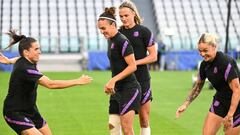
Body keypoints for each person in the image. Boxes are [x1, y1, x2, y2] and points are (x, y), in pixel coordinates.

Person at [0, 30, 92, 135]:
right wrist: (77, 81)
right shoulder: (25, 69)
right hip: (14, 112)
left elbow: (17, 59)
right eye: (36, 49)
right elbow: (51, 84)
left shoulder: (24, 60)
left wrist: (8, 61)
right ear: (26, 52)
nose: (39, 51)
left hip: (31, 110)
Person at [176, 33, 240, 135]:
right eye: (200, 51)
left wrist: (230, 115)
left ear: (214, 47)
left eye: (205, 50)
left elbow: (237, 90)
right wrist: (185, 104)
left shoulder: (225, 62)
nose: (202, 54)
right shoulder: (204, 65)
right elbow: (198, 87)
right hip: (221, 100)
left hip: (237, 104)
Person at [97, 7, 141, 135]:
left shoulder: (122, 41)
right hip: (116, 89)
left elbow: (133, 66)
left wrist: (113, 80)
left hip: (130, 88)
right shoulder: (110, 40)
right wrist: (113, 83)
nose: (102, 32)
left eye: (104, 28)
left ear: (113, 25)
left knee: (127, 129)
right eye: (100, 29)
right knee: (113, 126)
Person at [118, 1, 157, 135]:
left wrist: (134, 63)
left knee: (144, 120)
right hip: (125, 82)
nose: (123, 19)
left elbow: (153, 56)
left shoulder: (144, 31)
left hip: (142, 79)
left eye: (126, 15)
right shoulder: (118, 34)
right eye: (121, 16)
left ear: (133, 14)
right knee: (125, 123)